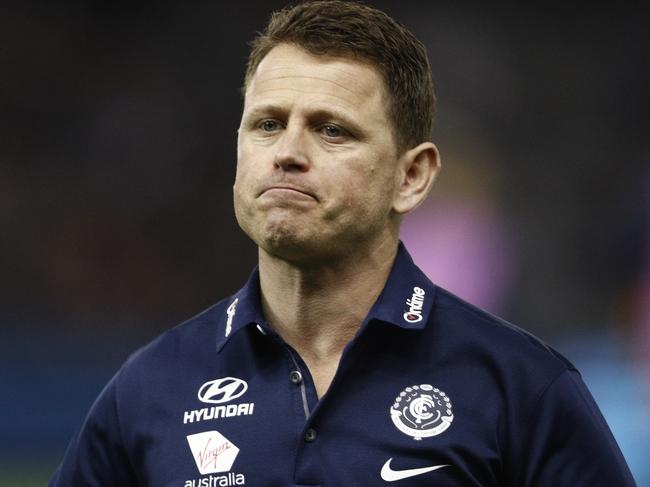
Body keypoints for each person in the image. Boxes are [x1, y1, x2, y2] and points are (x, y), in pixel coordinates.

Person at [48, 1, 636, 486]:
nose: (287, 152)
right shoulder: (148, 389)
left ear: (413, 177)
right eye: (267, 124)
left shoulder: (522, 388)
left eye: (332, 130)